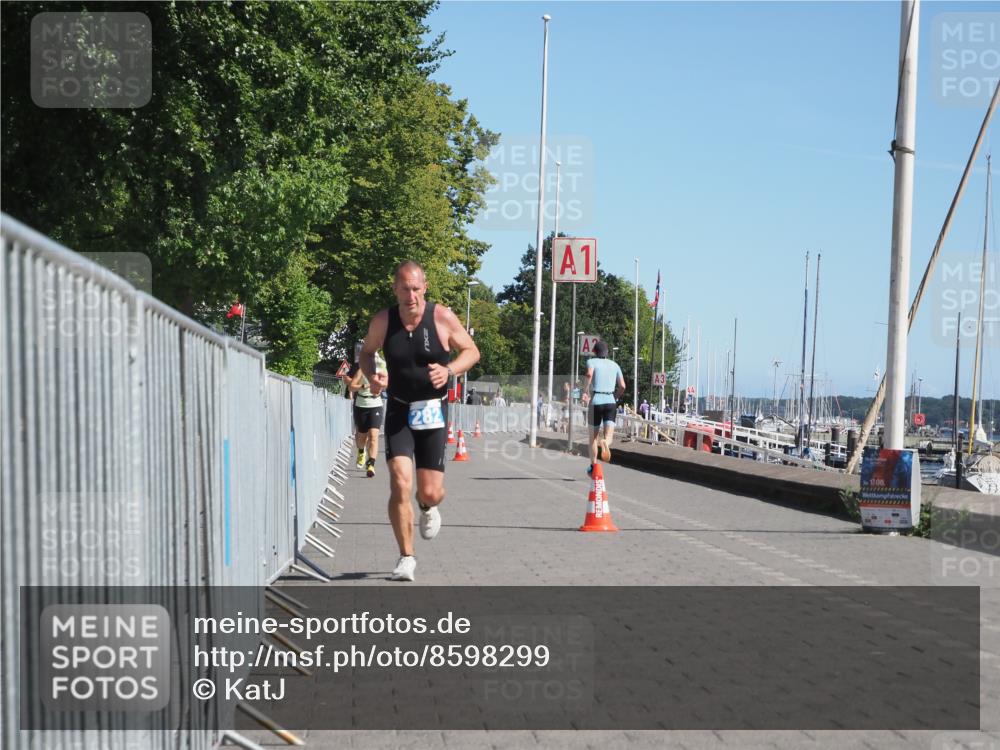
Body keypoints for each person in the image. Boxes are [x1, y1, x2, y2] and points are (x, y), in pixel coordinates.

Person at [360, 261, 480, 582]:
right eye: (404, 288)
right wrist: (373, 376)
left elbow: (471, 351)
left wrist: (450, 370)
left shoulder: (440, 317)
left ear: (424, 287)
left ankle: (427, 508)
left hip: (432, 411)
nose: (410, 295)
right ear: (394, 289)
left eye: (416, 288)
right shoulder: (384, 321)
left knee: (430, 492)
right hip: (399, 409)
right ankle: (406, 557)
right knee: (400, 482)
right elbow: (367, 352)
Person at [581, 340, 626, 475]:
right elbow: (623, 386)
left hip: (596, 401)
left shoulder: (592, 362)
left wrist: (585, 390)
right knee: (609, 435)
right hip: (610, 401)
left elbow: (589, 374)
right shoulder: (615, 365)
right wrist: (616, 397)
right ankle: (605, 442)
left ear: (595, 352)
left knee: (593, 438)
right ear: (607, 353)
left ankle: (593, 466)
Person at [348, 349, 387, 478]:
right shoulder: (361, 371)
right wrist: (363, 387)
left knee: (374, 436)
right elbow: (351, 387)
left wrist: (382, 385)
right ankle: (361, 451)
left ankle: (371, 465)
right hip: (361, 405)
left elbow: (387, 383)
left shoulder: (381, 371)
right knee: (361, 437)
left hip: (376, 405)